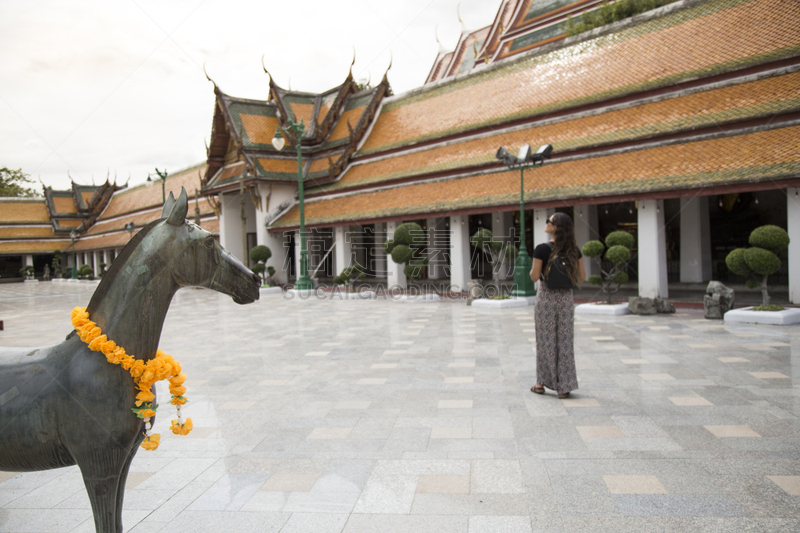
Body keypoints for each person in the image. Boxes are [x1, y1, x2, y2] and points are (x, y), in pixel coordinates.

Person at [529, 212, 585, 399]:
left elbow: (535, 277)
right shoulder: (573, 250)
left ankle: (540, 383)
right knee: (565, 342)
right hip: (566, 299)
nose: (546, 223)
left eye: (549, 221)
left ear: (555, 227)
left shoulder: (541, 249)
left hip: (546, 298)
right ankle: (564, 387)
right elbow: (582, 277)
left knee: (546, 341)